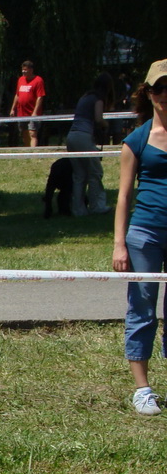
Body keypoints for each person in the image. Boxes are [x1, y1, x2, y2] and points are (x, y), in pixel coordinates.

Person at [112, 59, 167, 416]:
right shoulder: (137, 140)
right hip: (145, 232)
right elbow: (124, 196)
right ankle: (142, 388)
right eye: (160, 88)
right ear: (149, 93)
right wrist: (119, 244)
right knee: (143, 306)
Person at [66, 72, 114, 217]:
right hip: (83, 137)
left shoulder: (85, 96)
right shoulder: (98, 98)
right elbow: (98, 118)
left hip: (72, 136)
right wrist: (107, 124)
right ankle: (97, 206)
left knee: (79, 175)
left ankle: (78, 210)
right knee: (95, 172)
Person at [9, 60, 46, 148]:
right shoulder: (20, 80)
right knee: (24, 133)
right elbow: (17, 95)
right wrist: (13, 109)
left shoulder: (38, 80)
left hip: (32, 113)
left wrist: (35, 112)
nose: (23, 71)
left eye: (25, 70)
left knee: (32, 133)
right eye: (23, 70)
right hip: (21, 113)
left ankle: (33, 152)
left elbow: (40, 97)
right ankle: (27, 151)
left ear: (31, 70)